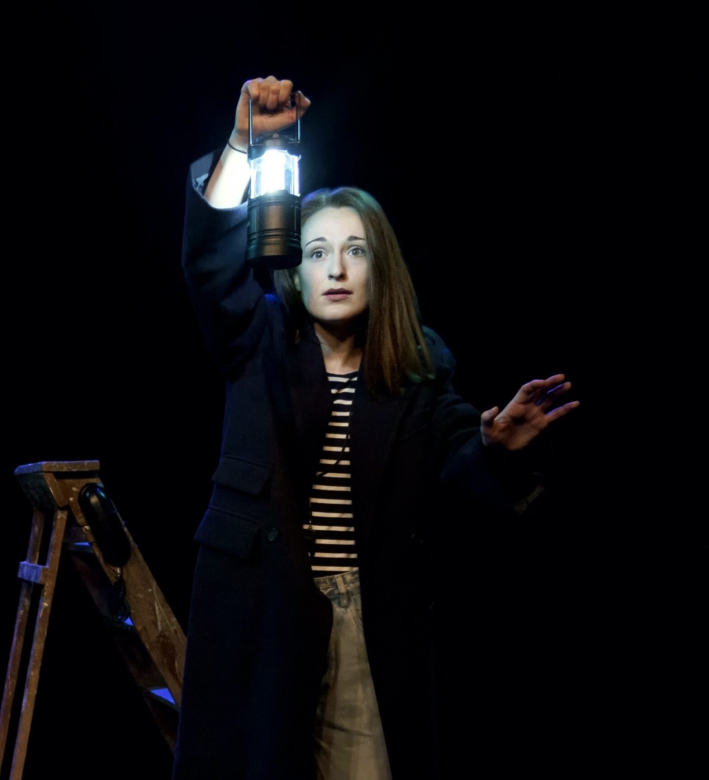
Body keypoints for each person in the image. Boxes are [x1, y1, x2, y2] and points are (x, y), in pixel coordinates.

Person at [172, 75, 579, 780]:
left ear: (378, 268)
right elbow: (207, 263)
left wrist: (493, 445)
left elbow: (458, 468)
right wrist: (242, 142)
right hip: (263, 617)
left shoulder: (417, 367)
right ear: (292, 265)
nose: (334, 267)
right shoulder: (257, 340)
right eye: (319, 249)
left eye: (355, 251)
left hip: (364, 618)